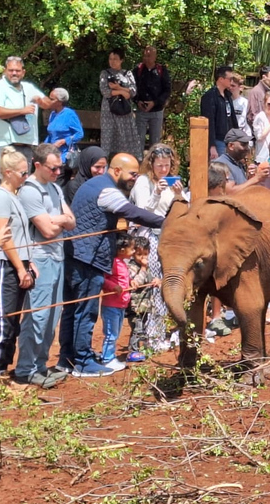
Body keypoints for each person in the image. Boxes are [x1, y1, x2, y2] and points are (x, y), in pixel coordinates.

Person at [58, 154, 165, 377]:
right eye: (132, 174)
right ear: (116, 170)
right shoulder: (107, 190)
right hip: (87, 257)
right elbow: (132, 212)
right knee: (84, 311)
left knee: (72, 309)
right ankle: (83, 362)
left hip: (77, 253)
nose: (135, 179)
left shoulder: (95, 185)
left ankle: (67, 358)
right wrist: (166, 222)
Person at [14, 143, 76, 387]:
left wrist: (57, 219)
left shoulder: (54, 188)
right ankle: (25, 368)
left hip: (58, 257)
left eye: (60, 167)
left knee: (52, 316)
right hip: (40, 258)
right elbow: (48, 231)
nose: (57, 172)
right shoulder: (30, 191)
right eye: (53, 168)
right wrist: (60, 221)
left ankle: (40, 365)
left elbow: (72, 222)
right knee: (37, 317)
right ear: (37, 165)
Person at [0, 147, 36, 393]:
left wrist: (28, 262)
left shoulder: (13, 195)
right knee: (1, 323)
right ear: (8, 172)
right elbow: (5, 238)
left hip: (17, 264)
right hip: (2, 266)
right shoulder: (1, 196)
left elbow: (20, 235)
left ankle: (4, 373)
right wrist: (20, 267)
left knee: (12, 323)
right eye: (23, 173)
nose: (26, 177)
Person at [129, 144, 184, 352]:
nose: (164, 170)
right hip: (148, 237)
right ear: (151, 164)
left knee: (167, 282)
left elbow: (182, 208)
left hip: (169, 237)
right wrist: (157, 193)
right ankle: (153, 336)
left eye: (167, 165)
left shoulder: (173, 181)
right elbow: (143, 212)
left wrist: (179, 195)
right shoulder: (143, 182)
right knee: (154, 285)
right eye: (160, 165)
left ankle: (166, 332)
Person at [0, 56, 53, 179]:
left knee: (22, 186)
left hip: (26, 146)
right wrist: (21, 111)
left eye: (17, 70)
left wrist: (41, 101)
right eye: (11, 70)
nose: (14, 73)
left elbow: (48, 104)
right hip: (5, 146)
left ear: (23, 72)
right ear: (5, 71)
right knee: (3, 184)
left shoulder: (29, 87)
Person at [100, 233, 135, 371]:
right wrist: (113, 287)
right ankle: (107, 358)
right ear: (122, 250)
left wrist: (132, 282)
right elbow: (103, 279)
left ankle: (109, 356)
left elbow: (123, 279)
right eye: (131, 249)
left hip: (121, 305)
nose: (133, 252)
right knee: (111, 333)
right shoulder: (113, 263)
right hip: (111, 305)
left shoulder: (122, 263)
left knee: (116, 332)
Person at [100, 48, 142, 159]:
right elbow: (105, 91)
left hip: (125, 111)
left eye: (115, 59)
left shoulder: (127, 73)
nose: (112, 61)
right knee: (108, 137)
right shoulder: (105, 73)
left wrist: (118, 88)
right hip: (109, 111)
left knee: (126, 138)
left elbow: (133, 92)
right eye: (110, 59)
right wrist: (123, 91)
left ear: (121, 60)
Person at [126, 237, 159, 362]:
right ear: (133, 253)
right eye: (139, 254)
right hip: (135, 305)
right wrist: (144, 269)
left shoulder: (147, 266)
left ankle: (143, 349)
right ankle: (132, 351)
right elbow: (136, 283)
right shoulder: (132, 267)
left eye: (145, 254)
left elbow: (150, 279)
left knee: (143, 328)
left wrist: (156, 281)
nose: (142, 257)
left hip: (145, 305)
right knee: (137, 329)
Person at [133, 46, 171, 150]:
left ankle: (154, 164)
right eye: (144, 55)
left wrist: (155, 103)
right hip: (141, 111)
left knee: (155, 143)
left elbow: (167, 90)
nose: (146, 58)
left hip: (156, 111)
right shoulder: (138, 70)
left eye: (149, 56)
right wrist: (137, 101)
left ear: (155, 57)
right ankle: (139, 164)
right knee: (138, 142)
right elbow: (131, 88)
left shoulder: (161, 70)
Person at [200, 65, 237, 160]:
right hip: (218, 141)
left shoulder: (228, 95)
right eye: (230, 79)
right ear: (221, 79)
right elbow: (209, 122)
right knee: (218, 171)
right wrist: (212, 146)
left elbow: (232, 119)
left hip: (229, 141)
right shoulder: (210, 96)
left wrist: (237, 139)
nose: (232, 82)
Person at [44, 88, 84, 170]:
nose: (48, 101)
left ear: (60, 102)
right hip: (52, 153)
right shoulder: (53, 114)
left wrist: (64, 141)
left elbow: (79, 134)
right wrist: (43, 148)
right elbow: (51, 134)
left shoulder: (69, 114)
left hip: (64, 155)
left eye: (52, 99)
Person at [228, 73, 252, 139]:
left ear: (240, 87)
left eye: (233, 86)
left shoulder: (245, 103)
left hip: (243, 135)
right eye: (229, 85)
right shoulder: (224, 102)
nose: (230, 88)